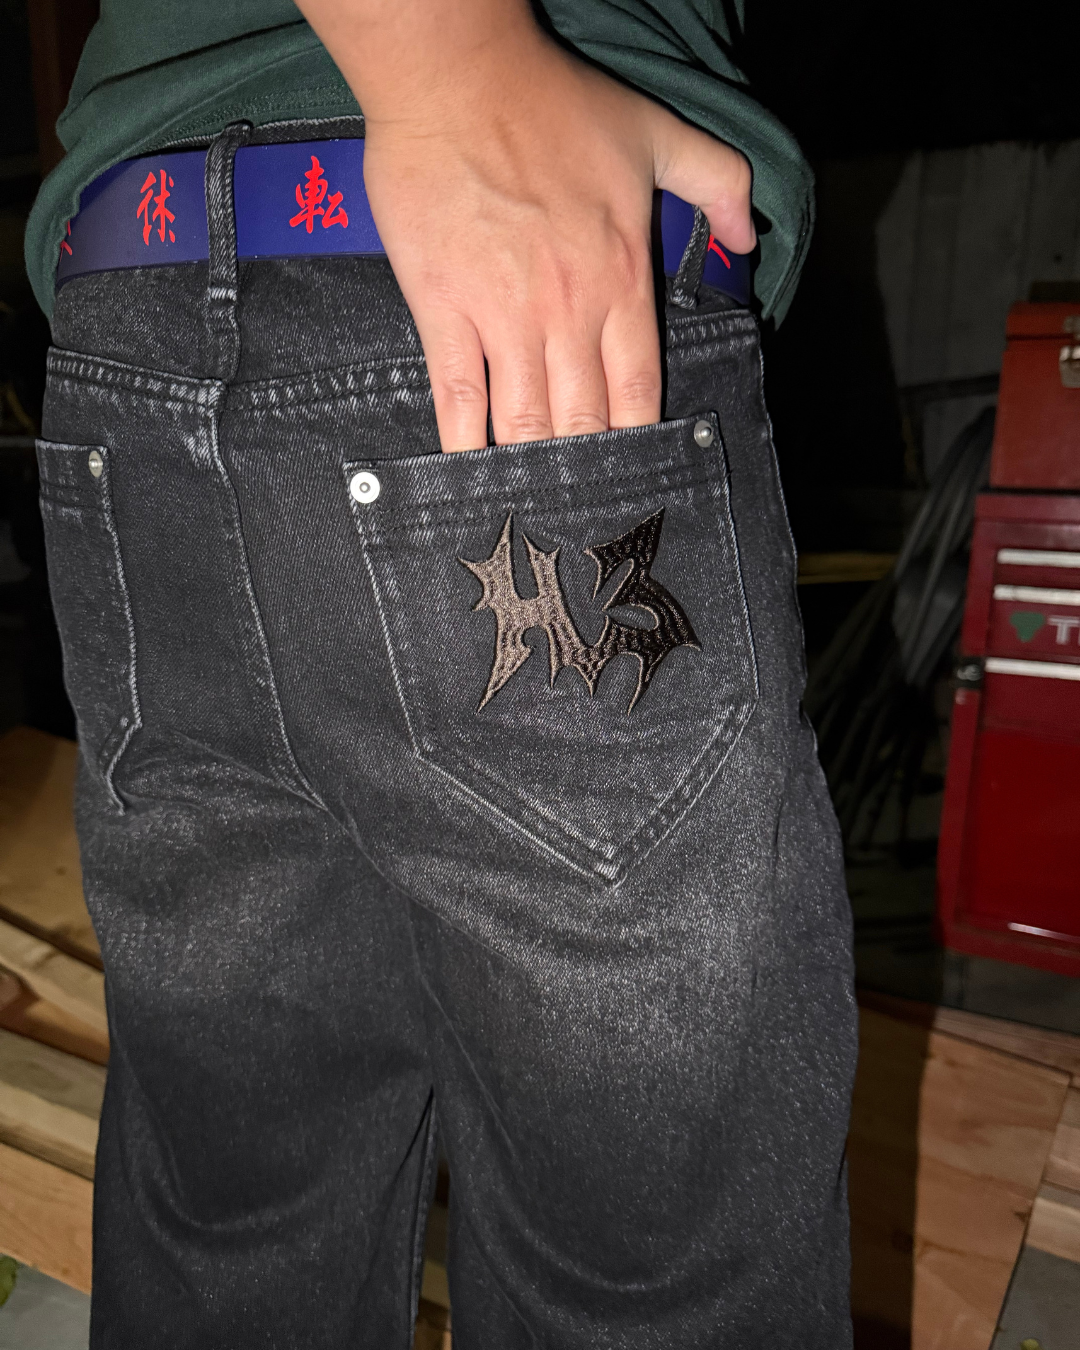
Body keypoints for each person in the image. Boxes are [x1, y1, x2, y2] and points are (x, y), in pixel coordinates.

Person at [25, 1, 857, 1346]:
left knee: (239, 1234)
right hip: (488, 299)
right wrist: (455, 69)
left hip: (140, 329)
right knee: (652, 1276)